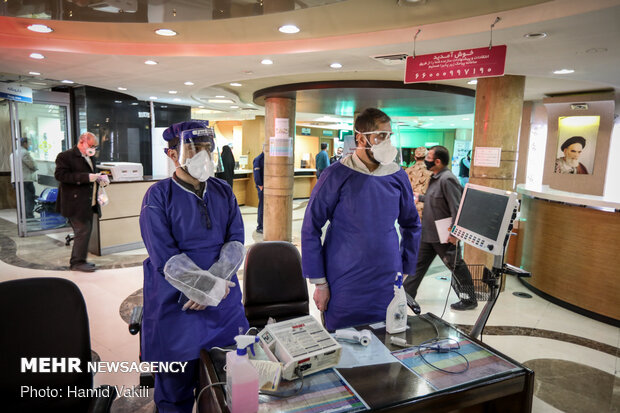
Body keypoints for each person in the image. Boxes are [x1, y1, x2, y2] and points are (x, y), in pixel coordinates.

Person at [139, 121, 249, 413]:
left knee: (223, 391)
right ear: (172, 154)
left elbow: (236, 241)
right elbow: (165, 256)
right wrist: (203, 289)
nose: (202, 154)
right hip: (178, 310)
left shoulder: (223, 191)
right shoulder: (158, 197)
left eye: (206, 147)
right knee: (175, 396)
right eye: (192, 147)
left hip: (222, 307)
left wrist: (212, 285)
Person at [301, 108, 421, 330]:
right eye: (380, 136)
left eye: (389, 136)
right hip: (344, 278)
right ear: (360, 137)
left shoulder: (397, 175)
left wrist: (404, 268)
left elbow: (411, 223)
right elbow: (311, 228)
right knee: (344, 342)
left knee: (385, 338)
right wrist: (319, 282)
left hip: (386, 277)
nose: (386, 142)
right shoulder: (337, 174)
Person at [403, 145, 478, 311]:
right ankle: (406, 294)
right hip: (429, 232)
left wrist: (454, 231)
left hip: (443, 234)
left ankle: (469, 299)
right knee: (417, 264)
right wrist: (420, 197)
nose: (426, 160)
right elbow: (435, 200)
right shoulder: (436, 177)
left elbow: (456, 207)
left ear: (437, 161)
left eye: (429, 157)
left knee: (456, 266)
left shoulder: (447, 179)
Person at [54, 132, 108, 272]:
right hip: (74, 203)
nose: (93, 149)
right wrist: (86, 177)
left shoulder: (90, 157)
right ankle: (77, 263)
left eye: (95, 146)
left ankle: (80, 260)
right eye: (91, 145)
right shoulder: (65, 156)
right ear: (82, 141)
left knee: (86, 231)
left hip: (88, 202)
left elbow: (92, 175)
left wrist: (99, 178)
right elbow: (60, 175)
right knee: (82, 230)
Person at [10, 137, 38, 219]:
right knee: (29, 198)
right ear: (24, 143)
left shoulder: (13, 154)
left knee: (21, 199)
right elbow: (32, 165)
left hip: (16, 180)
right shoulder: (24, 153)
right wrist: (35, 167)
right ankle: (29, 217)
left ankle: (22, 216)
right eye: (28, 143)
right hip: (25, 180)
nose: (29, 145)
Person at [405, 146, 432, 219]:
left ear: (415, 157)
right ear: (426, 157)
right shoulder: (431, 171)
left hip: (409, 206)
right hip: (425, 207)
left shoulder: (407, 171)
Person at [253, 149, 264, 234]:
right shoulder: (258, 159)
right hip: (262, 187)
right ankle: (260, 226)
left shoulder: (267, 158)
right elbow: (256, 173)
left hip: (266, 187)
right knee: (262, 206)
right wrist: (260, 185)